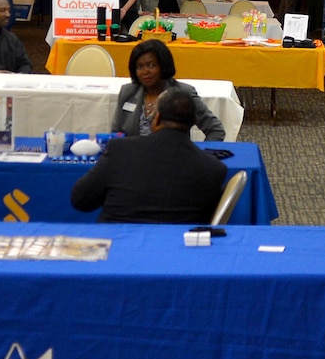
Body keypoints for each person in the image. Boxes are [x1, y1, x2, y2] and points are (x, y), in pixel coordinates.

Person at [71, 87, 230, 224]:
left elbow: (81, 200)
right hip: (178, 252)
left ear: (157, 118)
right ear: (193, 121)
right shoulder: (214, 169)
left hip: (116, 248)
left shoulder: (120, 150)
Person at [110, 39, 227, 138]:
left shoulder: (183, 93)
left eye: (151, 65)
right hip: (134, 161)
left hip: (172, 160)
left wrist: (202, 157)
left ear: (163, 65)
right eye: (140, 67)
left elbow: (215, 130)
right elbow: (115, 133)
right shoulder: (128, 92)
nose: (145, 72)